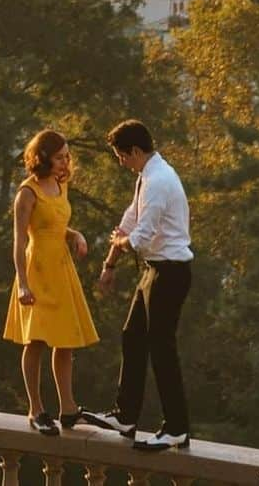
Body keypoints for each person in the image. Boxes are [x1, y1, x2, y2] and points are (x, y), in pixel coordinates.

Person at [83, 119, 193, 452]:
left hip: (170, 273)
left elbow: (141, 237)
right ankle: (126, 415)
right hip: (154, 270)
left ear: (134, 151)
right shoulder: (146, 177)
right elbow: (131, 219)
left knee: (162, 350)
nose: (121, 163)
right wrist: (110, 263)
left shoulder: (160, 180)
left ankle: (176, 428)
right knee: (133, 336)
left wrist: (124, 242)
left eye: (121, 156)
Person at [3, 128, 99, 436]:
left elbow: (59, 225)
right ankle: (36, 409)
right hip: (37, 270)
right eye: (59, 157)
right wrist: (22, 284)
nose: (65, 163)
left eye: (67, 157)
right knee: (37, 341)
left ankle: (68, 409)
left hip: (61, 268)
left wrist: (77, 235)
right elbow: (19, 241)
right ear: (42, 157)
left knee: (66, 341)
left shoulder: (61, 185)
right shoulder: (27, 193)